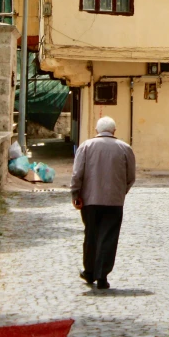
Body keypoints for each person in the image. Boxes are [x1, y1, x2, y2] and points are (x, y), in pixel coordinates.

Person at [70, 116, 136, 290]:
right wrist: (121, 191)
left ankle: (89, 271)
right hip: (114, 201)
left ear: (97, 130)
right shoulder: (125, 148)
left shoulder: (86, 146)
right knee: (108, 237)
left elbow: (77, 174)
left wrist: (75, 193)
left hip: (90, 199)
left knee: (91, 234)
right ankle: (102, 276)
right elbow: (131, 177)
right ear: (114, 131)